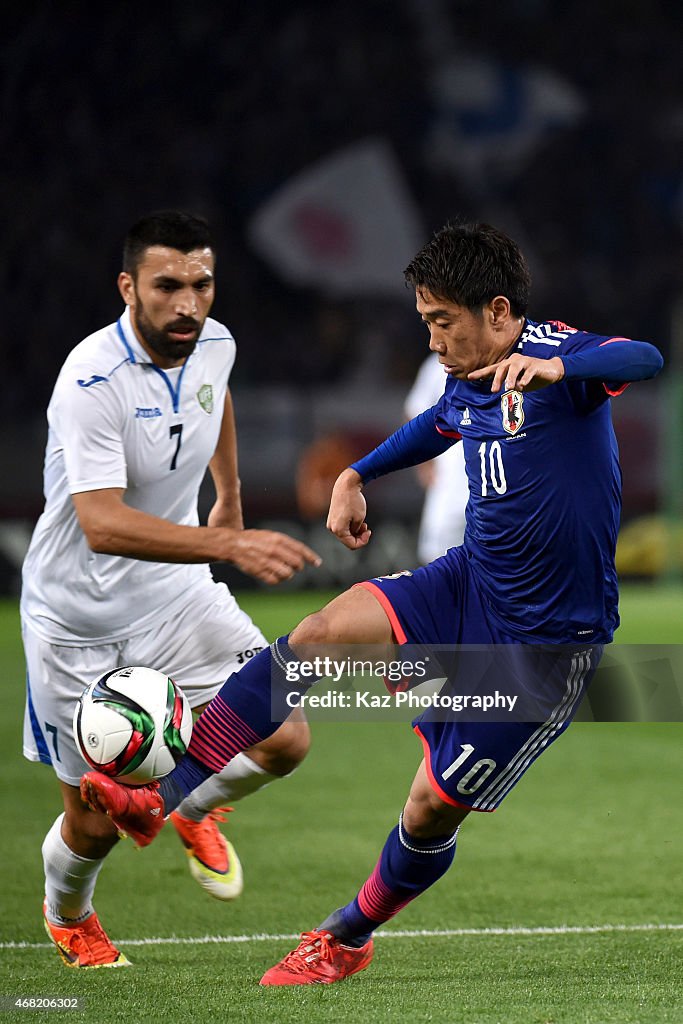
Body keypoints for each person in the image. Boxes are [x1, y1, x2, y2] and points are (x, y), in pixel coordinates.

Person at [81, 221, 663, 985]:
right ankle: (166, 795)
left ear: (495, 310)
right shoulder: (471, 376)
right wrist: (357, 473)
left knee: (429, 808)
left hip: (545, 646)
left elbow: (644, 356)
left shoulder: (564, 362)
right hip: (467, 584)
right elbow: (439, 422)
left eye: (440, 322)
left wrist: (557, 368)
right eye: (424, 322)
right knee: (321, 633)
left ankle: (346, 935)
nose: (431, 340)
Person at [22, 210, 321, 968]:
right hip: (76, 622)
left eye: (201, 283)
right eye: (167, 286)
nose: (188, 303)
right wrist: (229, 542)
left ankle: (191, 804)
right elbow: (102, 523)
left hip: (178, 596)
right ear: (128, 287)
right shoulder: (92, 380)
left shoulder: (212, 342)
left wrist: (229, 496)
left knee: (284, 734)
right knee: (91, 826)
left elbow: (214, 398)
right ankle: (69, 917)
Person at [404, 352, 469, 562]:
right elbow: (414, 412)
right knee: (436, 557)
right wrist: (423, 465)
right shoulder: (437, 365)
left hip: (495, 483)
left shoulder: (506, 358)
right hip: (449, 481)